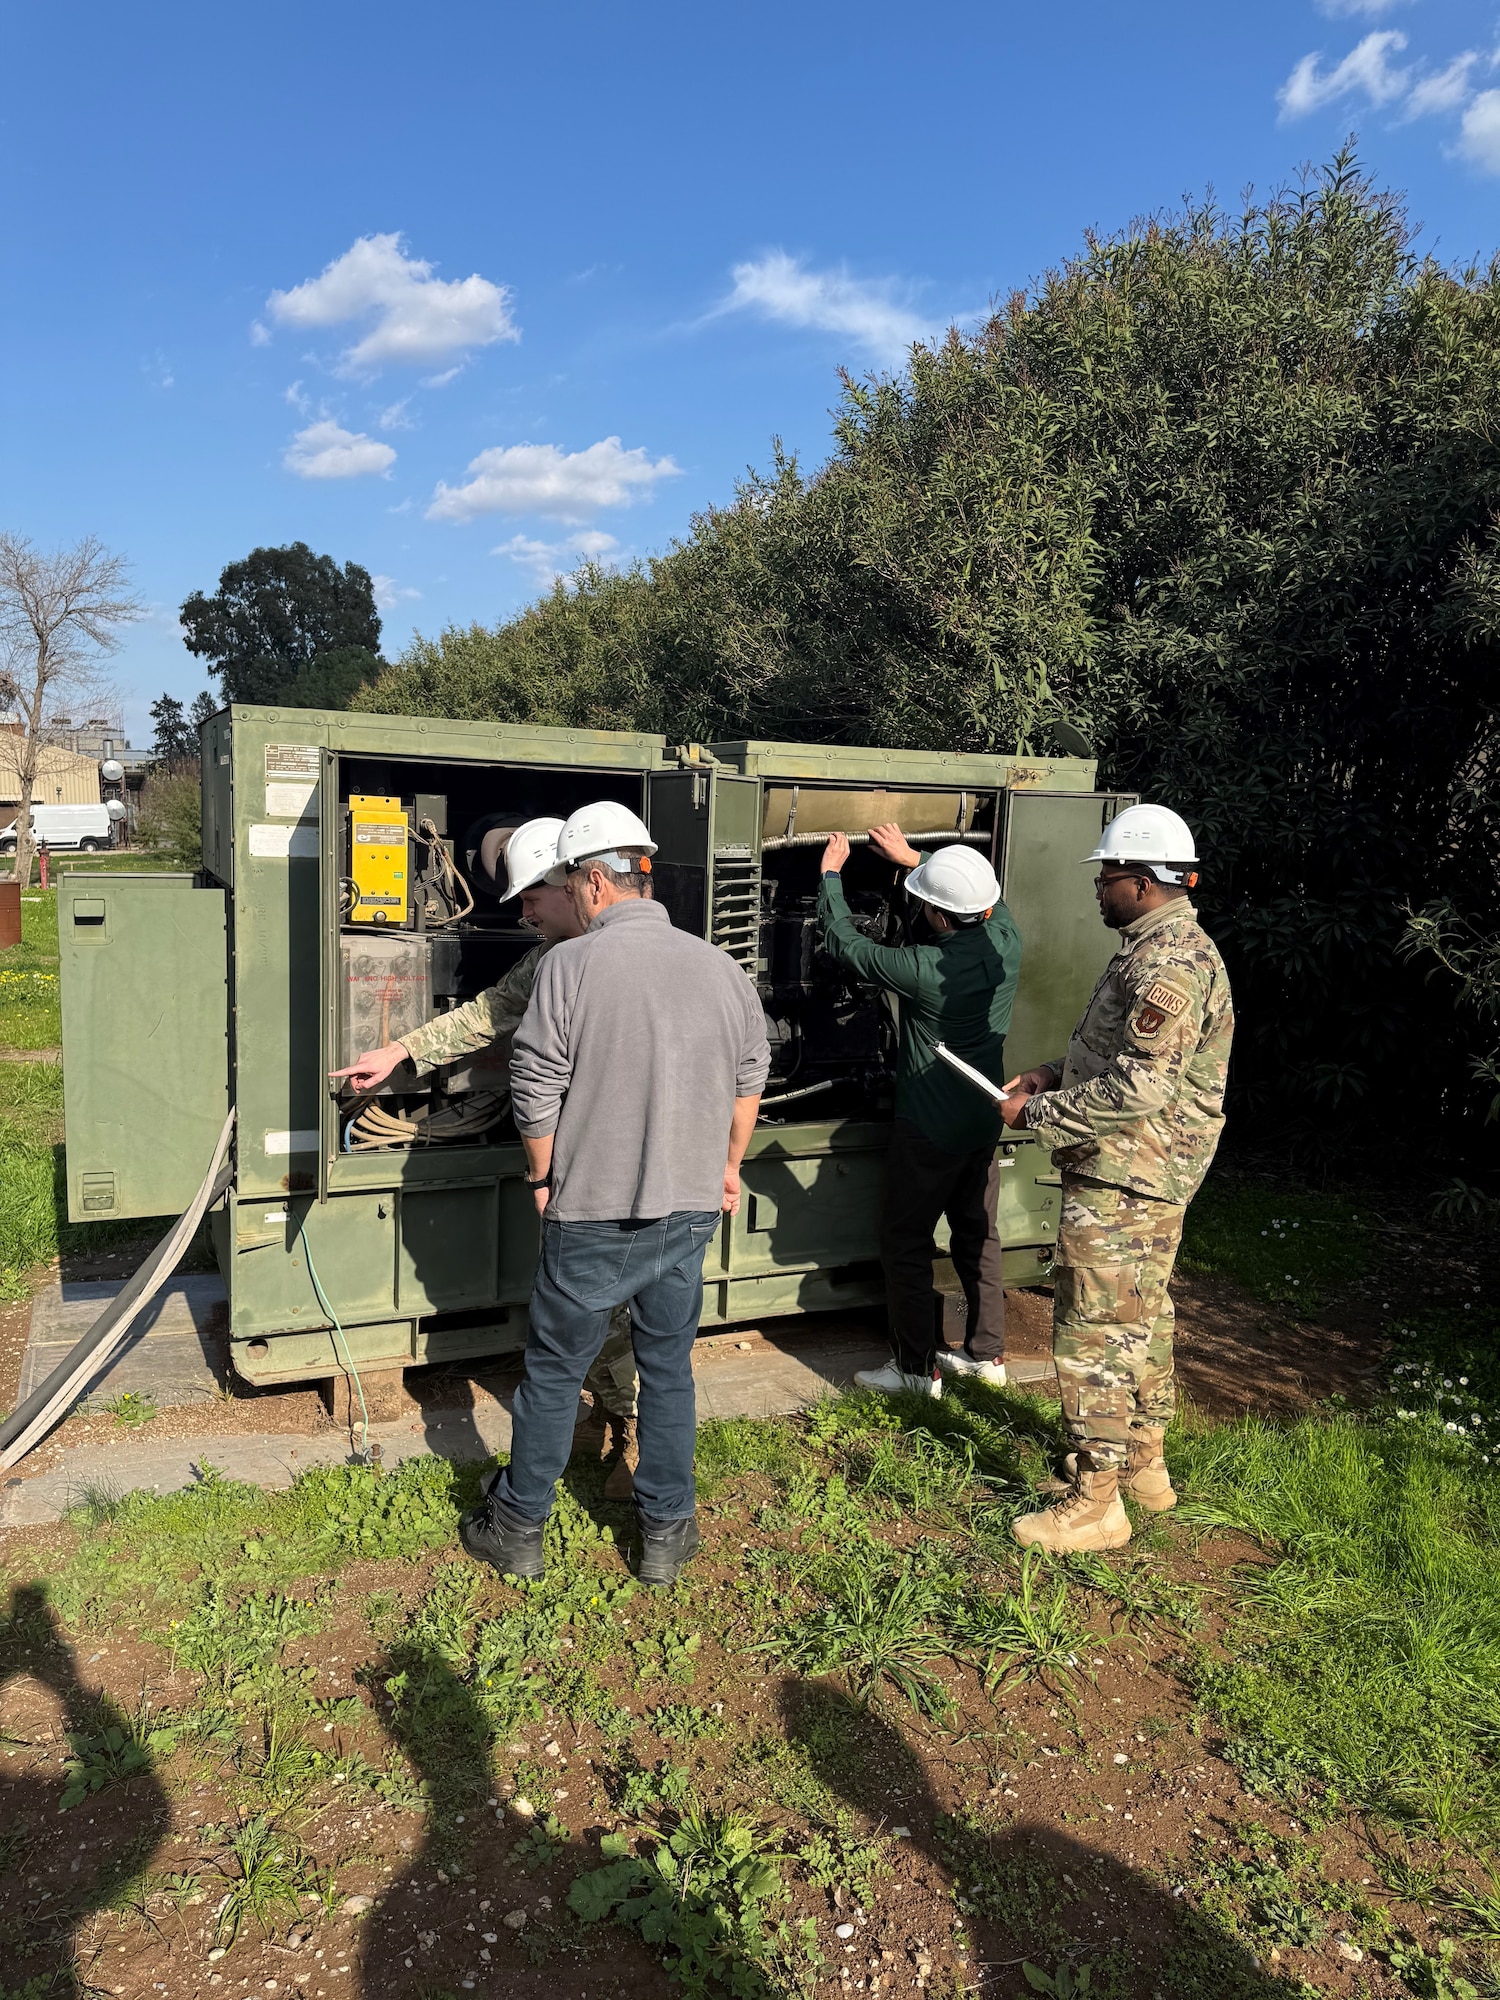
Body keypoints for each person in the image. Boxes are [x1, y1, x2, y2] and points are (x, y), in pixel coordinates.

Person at [460, 799, 770, 1589]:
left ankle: (517, 1526)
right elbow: (748, 1083)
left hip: (592, 1213)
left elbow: (534, 1085)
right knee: (667, 1368)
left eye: (569, 881)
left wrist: (542, 1176)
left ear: (595, 882)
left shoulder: (568, 968)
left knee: (554, 1371)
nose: (567, 893)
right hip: (688, 1209)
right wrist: (727, 1166)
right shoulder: (721, 967)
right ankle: (666, 1534)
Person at [330, 815, 642, 1495]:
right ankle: (612, 1410)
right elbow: (490, 1012)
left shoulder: (631, 956)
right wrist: (400, 1051)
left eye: (534, 897)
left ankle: (630, 1430)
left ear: (578, 882)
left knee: (611, 1300)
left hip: (628, 1159)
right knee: (584, 1300)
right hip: (578, 1158)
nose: (525, 913)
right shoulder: (552, 958)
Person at [999, 803, 1234, 1553]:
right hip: (1144, 1170)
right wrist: (1050, 1073)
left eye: (1107, 878)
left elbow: (1142, 1088)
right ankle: (1141, 1467)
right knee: (1142, 1318)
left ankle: (1095, 1503)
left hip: (1129, 1175)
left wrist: (1038, 1115)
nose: (1099, 889)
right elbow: (1119, 1058)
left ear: (1144, 881)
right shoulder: (1159, 947)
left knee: (1096, 1330)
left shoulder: (1167, 964)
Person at [818, 824, 1022, 1397]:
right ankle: (986, 1355)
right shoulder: (1006, 939)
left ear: (937, 917)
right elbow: (987, 899)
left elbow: (848, 947)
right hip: (982, 1119)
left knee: (906, 1243)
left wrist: (831, 876)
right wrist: (914, 856)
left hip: (928, 1128)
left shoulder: (923, 967)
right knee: (978, 1236)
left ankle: (914, 1369)